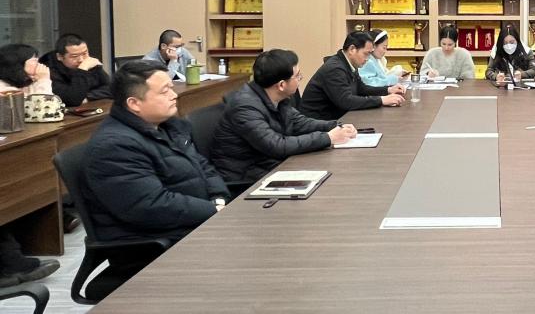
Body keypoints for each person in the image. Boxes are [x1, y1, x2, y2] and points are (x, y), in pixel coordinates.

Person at [81, 61, 230, 299]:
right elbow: (151, 206)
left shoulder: (169, 127)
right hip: (151, 245)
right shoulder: (115, 146)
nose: (174, 95)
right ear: (134, 103)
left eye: (172, 87)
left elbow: (204, 167)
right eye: (164, 91)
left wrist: (219, 199)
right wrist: (213, 210)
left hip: (192, 225)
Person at [212, 49, 358, 184]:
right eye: (297, 76)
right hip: (246, 178)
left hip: (270, 165)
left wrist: (335, 125)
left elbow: (299, 122)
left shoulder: (276, 96)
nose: (300, 79)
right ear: (281, 85)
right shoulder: (245, 107)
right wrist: (328, 138)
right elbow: (276, 145)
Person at [0, 45, 60, 288]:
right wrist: (43, 81)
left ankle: (11, 264)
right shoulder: (3, 89)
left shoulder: (17, 86)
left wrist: (40, 81)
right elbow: (39, 111)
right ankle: (11, 264)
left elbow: (41, 111)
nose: (39, 65)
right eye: (33, 60)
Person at [300, 30, 405, 120]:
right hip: (318, 123)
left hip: (335, 119)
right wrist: (381, 100)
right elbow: (346, 101)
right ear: (352, 49)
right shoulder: (335, 68)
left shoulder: (349, 63)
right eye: (366, 54)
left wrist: (388, 90)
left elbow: (361, 88)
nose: (368, 59)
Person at [40, 33, 111, 106]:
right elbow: (72, 99)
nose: (81, 60)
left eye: (84, 53)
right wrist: (82, 69)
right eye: (74, 56)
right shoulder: (47, 70)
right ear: (59, 57)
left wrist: (87, 97)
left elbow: (112, 88)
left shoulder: (89, 62)